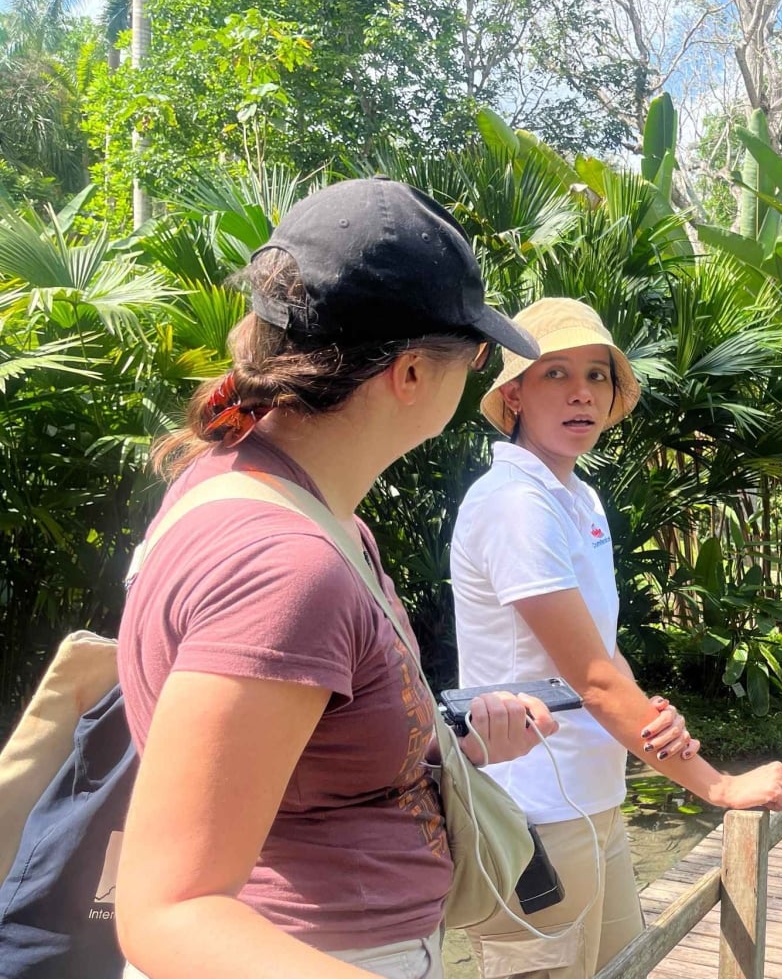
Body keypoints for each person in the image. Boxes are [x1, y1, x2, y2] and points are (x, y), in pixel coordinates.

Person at [114, 177, 558, 979]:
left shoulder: (269, 492)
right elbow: (171, 909)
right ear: (412, 373)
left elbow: (300, 749)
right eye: (477, 352)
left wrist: (444, 737)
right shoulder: (287, 566)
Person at [450, 297, 782, 979]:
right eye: (556, 373)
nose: (582, 391)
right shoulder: (515, 505)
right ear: (514, 394)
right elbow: (592, 680)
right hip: (535, 818)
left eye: (598, 374)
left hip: (595, 798)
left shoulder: (575, 497)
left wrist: (655, 723)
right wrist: (718, 786)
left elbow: (602, 652)